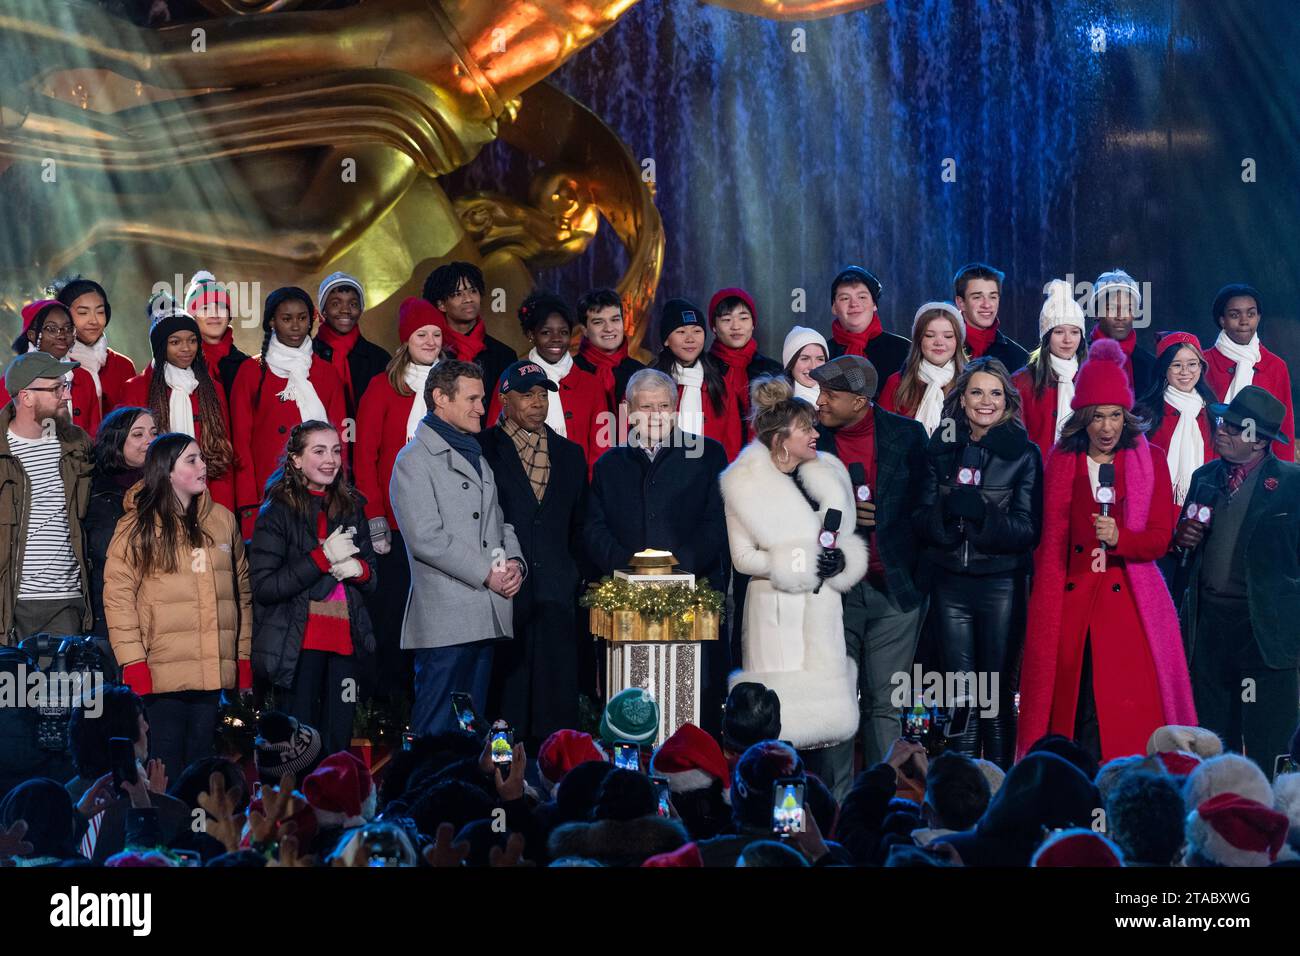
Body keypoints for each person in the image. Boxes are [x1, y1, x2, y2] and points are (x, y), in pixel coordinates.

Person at [1017, 338, 1196, 764]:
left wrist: (1121, 539)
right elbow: (1050, 542)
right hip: (1071, 607)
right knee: (1076, 709)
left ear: (1127, 417)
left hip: (1131, 606)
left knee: (1124, 710)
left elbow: (1158, 537)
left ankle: (1128, 788)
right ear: (1083, 419)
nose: (1107, 427)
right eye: (1097, 416)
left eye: (1115, 415)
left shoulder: (1149, 458)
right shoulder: (1061, 461)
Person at [720, 377, 868, 799]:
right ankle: (771, 808)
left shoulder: (829, 474)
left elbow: (844, 540)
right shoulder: (742, 483)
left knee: (824, 729)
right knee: (781, 723)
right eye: (806, 428)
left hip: (822, 611)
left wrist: (842, 561)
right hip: (775, 613)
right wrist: (798, 563)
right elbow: (743, 558)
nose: (817, 434)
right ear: (781, 439)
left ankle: (823, 815)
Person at [584, 368, 731, 731]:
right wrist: (629, 566)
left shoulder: (708, 455)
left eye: (663, 406)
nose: (655, 415)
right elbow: (593, 528)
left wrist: (677, 567)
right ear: (627, 411)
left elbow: (717, 524)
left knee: (693, 704)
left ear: (676, 408)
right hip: (627, 600)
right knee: (634, 702)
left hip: (694, 594)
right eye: (645, 407)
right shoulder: (608, 464)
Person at [913, 358, 1042, 767]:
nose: (985, 402)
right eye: (976, 392)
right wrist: (947, 518)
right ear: (962, 399)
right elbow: (919, 516)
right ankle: (963, 789)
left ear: (1008, 400)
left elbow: (1027, 530)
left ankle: (1000, 786)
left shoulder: (1024, 454)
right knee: (960, 691)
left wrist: (986, 516)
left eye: (995, 393)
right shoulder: (941, 447)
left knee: (998, 692)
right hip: (950, 582)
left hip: (1001, 584)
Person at [103, 432, 253, 780]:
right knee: (165, 766)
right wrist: (134, 663)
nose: (203, 466)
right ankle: (165, 832)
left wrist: (241, 658)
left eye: (201, 458)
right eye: (192, 460)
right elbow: (118, 598)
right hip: (160, 675)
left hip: (211, 674)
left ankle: (195, 833)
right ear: (167, 471)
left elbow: (241, 593)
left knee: (202, 767)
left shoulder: (223, 521)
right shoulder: (136, 526)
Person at [389, 360, 526, 737]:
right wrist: (488, 574)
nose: (482, 408)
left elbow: (498, 523)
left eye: (482, 399)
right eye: (472, 399)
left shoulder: (476, 455)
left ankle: (465, 795)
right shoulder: (413, 460)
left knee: (470, 730)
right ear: (440, 399)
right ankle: (422, 795)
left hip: (483, 612)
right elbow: (426, 537)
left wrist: (512, 563)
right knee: (435, 729)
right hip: (446, 620)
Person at [1174, 386, 1300, 778]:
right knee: (1212, 739)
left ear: (1260, 441)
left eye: (1233, 426)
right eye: (1222, 422)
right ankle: (1213, 818)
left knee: (1268, 741)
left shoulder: (1292, 486)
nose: (1221, 430)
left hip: (1264, 632)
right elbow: (1185, 556)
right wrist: (1183, 540)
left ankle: (1274, 824)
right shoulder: (1204, 477)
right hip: (1210, 626)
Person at [811, 355, 928, 767]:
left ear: (860, 401)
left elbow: (926, 507)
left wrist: (918, 576)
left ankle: (881, 806)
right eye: (820, 391)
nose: (820, 401)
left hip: (894, 591)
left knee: (885, 704)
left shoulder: (908, 437)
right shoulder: (808, 439)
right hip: (833, 591)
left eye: (831, 394)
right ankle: (837, 813)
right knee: (837, 700)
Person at [477, 360, 589, 744]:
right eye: (527, 395)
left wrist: (573, 573)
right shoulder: (481, 450)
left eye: (543, 395)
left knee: (556, 699)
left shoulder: (571, 455)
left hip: (557, 591)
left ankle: (558, 775)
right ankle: (504, 781)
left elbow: (580, 523)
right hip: (502, 589)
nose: (538, 403)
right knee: (505, 694)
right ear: (504, 400)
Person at [250, 421, 378, 756]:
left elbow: (373, 577)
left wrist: (359, 570)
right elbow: (265, 586)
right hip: (299, 646)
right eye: (319, 451)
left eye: (336, 450)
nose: (331, 459)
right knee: (300, 747)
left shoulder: (353, 506)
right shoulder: (276, 511)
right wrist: (322, 558)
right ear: (295, 459)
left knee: (338, 744)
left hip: (346, 646)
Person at [354, 297, 445, 691]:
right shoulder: (384, 387)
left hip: (442, 523)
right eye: (421, 334)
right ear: (405, 339)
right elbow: (365, 455)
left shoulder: (455, 385)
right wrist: (374, 515)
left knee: (437, 617)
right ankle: (390, 704)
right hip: (393, 524)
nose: (429, 341)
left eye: (436, 334)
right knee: (394, 613)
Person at [229, 286, 347, 539]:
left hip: (321, 491)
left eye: (302, 318)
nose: (296, 326)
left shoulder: (326, 373)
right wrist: (249, 506)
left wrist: (341, 491)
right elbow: (240, 443)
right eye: (287, 319)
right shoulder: (251, 371)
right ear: (272, 321)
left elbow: (340, 439)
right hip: (269, 494)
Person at [0, 351, 95, 643]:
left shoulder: (77, 444)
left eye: (65, 385)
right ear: (26, 396)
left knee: (64, 688)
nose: (66, 394)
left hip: (66, 600)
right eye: (56, 388)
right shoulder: (3, 450)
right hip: (11, 602)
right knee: (17, 689)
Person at [122, 303, 237, 512]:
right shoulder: (138, 388)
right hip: (158, 497)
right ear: (160, 346)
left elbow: (222, 450)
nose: (186, 349)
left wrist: (223, 508)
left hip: (210, 495)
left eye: (192, 341)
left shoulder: (213, 389)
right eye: (175, 342)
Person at [485, 292, 605, 472]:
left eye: (563, 332)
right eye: (546, 332)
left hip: (578, 489)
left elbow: (600, 449)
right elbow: (495, 439)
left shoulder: (592, 385)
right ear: (531, 334)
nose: (556, 339)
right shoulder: (511, 379)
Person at [85, 406, 157, 640]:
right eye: (138, 434)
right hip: (110, 616)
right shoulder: (96, 492)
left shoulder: (166, 489)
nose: (150, 440)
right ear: (116, 441)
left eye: (153, 433)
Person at [1202, 283, 1295, 461]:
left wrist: (1284, 476)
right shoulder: (1202, 363)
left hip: (1258, 467)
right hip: (1210, 461)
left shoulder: (1275, 366)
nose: (1244, 321)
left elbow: (1284, 427)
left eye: (1251, 314)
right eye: (1235, 315)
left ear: (1258, 318)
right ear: (1222, 320)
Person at [421, 261, 518, 425]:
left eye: (473, 291)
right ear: (441, 304)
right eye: (457, 294)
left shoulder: (503, 355)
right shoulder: (431, 352)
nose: (468, 299)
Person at [651, 298, 743, 461]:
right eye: (681, 332)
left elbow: (732, 444)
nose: (690, 339)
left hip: (709, 475)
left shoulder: (719, 385)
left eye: (697, 331)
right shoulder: (647, 383)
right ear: (666, 339)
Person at [1135, 331, 1218, 508]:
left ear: (1202, 367)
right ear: (1164, 369)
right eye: (1177, 365)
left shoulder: (1211, 409)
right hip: (1156, 504)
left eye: (1192, 364)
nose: (1185, 372)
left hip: (1203, 506)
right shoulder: (1147, 411)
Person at [4, 300, 103, 436]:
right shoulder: (12, 381)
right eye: (51, 329)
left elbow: (95, 435)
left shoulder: (84, 377)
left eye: (68, 328)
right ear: (32, 335)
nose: (62, 335)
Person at [1012, 278, 1088, 456]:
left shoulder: (1092, 379)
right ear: (1046, 337)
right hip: (1038, 475)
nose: (1068, 340)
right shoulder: (1021, 382)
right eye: (1059, 332)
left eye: (1075, 332)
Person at [312, 271, 392, 424]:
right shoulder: (308, 356)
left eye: (353, 304)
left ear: (361, 310)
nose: (345, 310)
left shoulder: (379, 359)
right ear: (323, 311)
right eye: (335, 304)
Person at [877, 302, 967, 435]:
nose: (939, 342)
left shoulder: (970, 382)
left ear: (957, 341)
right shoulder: (896, 382)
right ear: (919, 340)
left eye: (948, 336)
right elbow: (883, 434)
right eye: (930, 335)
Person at [56, 275, 137, 415]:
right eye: (83, 312)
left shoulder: (122, 365)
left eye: (100, 312)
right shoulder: (52, 365)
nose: (94, 320)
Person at [707, 287, 783, 432]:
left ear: (753, 323)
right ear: (714, 327)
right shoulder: (702, 369)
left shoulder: (772, 371)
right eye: (726, 319)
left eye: (743, 318)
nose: (736, 326)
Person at [826, 266, 910, 379]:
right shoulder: (822, 354)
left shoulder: (904, 350)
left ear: (874, 304)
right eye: (845, 298)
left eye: (862, 297)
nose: (854, 304)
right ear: (834, 308)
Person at [573, 287, 645, 408]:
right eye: (598, 322)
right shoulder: (570, 371)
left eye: (615, 320)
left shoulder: (640, 373)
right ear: (584, 330)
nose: (609, 328)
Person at [1088, 268, 1156, 396]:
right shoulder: (1078, 360)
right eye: (1111, 308)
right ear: (1096, 313)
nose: (1120, 316)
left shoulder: (1150, 366)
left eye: (1128, 308)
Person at [185, 270, 250, 402]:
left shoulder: (246, 366)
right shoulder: (180, 365)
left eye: (221, 306)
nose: (214, 314)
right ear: (192, 317)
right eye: (204, 308)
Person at [951, 263, 1028, 371]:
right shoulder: (942, 346)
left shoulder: (1018, 357)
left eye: (993, 297)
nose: (987, 305)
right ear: (961, 303)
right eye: (977, 297)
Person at [782, 326, 828, 406]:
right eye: (805, 359)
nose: (813, 367)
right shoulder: (784, 407)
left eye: (820, 359)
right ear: (790, 363)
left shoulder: (836, 393)